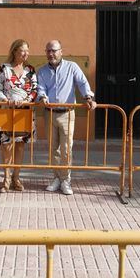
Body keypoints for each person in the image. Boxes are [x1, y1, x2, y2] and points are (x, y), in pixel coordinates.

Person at [37, 40, 96, 195]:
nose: (51, 54)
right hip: (49, 114)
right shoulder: (42, 71)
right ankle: (56, 178)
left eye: (54, 50)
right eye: (48, 51)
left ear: (61, 51)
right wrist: (42, 97)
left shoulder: (72, 67)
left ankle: (66, 180)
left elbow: (82, 83)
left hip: (67, 113)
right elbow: (41, 88)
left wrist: (88, 98)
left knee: (66, 149)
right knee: (53, 149)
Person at [0, 39, 38, 193]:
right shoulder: (4, 68)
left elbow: (34, 90)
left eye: (27, 50)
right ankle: (5, 179)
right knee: (6, 146)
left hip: (24, 111)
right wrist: (7, 100)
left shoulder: (30, 70)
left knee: (20, 145)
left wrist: (25, 101)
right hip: (6, 111)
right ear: (14, 51)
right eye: (22, 51)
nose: (26, 54)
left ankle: (16, 178)